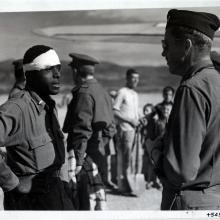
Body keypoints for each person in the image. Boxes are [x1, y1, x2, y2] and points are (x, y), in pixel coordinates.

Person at [152, 9, 220, 210]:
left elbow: (182, 171)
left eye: (167, 45)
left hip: (190, 203)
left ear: (187, 46)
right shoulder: (216, 81)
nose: (164, 52)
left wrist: (155, 151)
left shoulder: (192, 88)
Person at [2, 45, 74, 210]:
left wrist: (64, 181)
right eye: (48, 69)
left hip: (57, 194)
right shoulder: (17, 108)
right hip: (31, 201)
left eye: (58, 69)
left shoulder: (49, 105)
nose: (57, 75)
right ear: (30, 75)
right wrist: (13, 183)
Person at [63, 53, 116, 210]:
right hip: (96, 151)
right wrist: (101, 144)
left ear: (75, 71)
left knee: (82, 200)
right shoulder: (102, 90)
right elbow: (111, 126)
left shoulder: (84, 92)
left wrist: (79, 160)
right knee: (97, 198)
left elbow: (82, 130)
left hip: (83, 153)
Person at [113, 68, 140, 196]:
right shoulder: (122, 92)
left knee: (131, 160)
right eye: (133, 78)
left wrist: (140, 120)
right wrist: (130, 120)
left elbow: (134, 114)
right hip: (124, 131)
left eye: (137, 78)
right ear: (127, 78)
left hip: (134, 131)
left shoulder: (135, 94)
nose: (135, 80)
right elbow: (114, 111)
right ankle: (123, 188)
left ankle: (129, 186)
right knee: (124, 159)